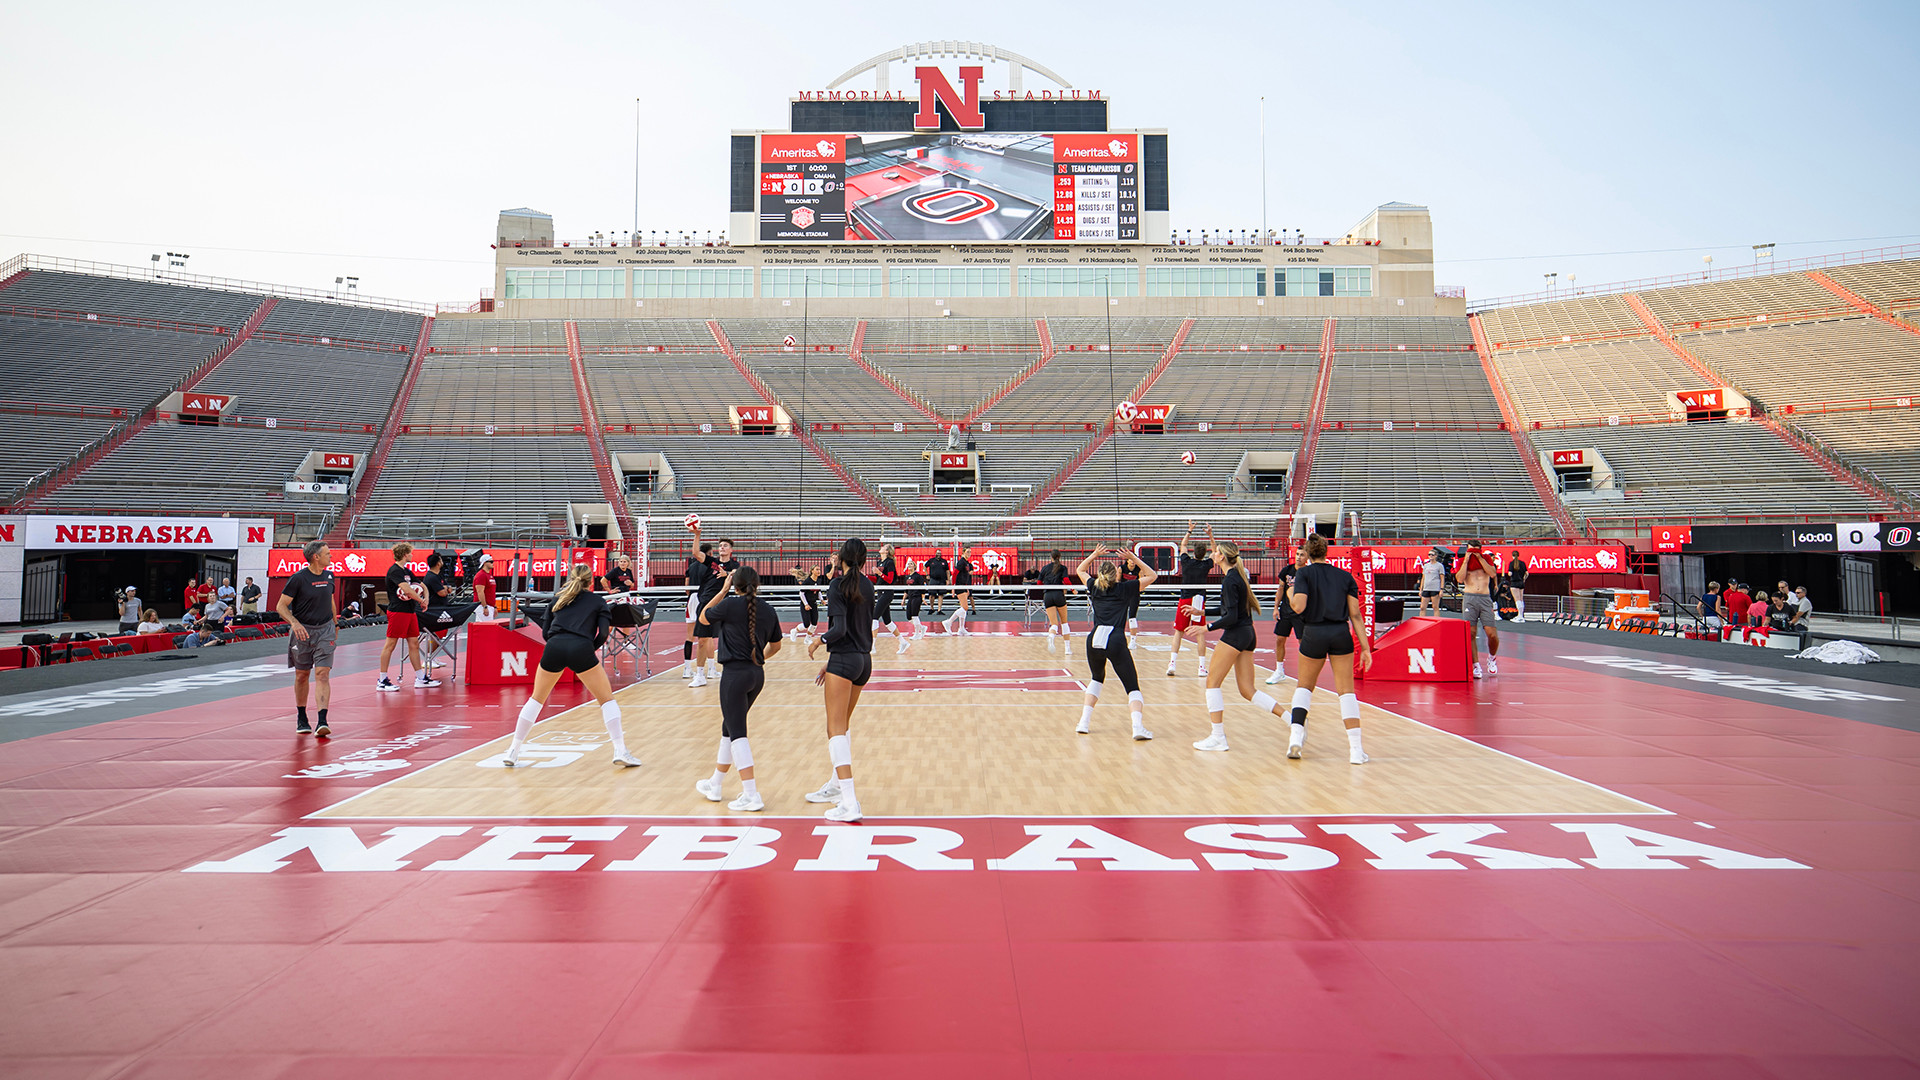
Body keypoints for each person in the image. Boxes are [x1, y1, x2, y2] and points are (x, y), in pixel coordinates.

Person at [503, 564, 640, 768]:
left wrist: (557, 642)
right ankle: (620, 750)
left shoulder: (558, 598)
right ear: (590, 581)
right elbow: (603, 633)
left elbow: (545, 631)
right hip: (581, 647)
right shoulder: (597, 601)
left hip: (554, 647)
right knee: (606, 700)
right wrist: (588, 649)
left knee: (536, 699)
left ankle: (513, 749)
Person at [695, 566, 783, 811]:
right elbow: (776, 646)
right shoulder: (768, 609)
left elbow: (703, 617)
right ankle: (716, 783)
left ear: (736, 585)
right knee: (729, 728)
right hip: (756, 675)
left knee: (738, 734)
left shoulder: (730, 604)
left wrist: (722, 590)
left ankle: (751, 794)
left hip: (734, 675)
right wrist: (758, 658)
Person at [1284, 533, 1375, 763]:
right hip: (1339, 633)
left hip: (1314, 633)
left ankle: (1295, 738)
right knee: (1346, 692)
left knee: (1304, 687)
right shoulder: (1344, 577)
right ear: (1327, 551)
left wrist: (1289, 592)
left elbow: (1298, 606)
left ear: (1308, 554)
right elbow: (1355, 614)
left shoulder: (1303, 573)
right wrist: (1365, 648)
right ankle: (1356, 750)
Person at [805, 538, 873, 823]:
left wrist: (819, 641)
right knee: (842, 727)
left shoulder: (838, 585)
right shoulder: (868, 585)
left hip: (845, 660)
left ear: (841, 559)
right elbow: (858, 628)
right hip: (863, 661)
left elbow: (840, 628)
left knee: (834, 730)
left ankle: (848, 801)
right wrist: (831, 661)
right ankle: (835, 786)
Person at [1192, 540, 1279, 753]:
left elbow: (1230, 616)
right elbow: (1229, 609)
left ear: (1222, 556)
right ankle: (1292, 718)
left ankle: (1218, 737)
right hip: (1248, 633)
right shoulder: (1236, 577)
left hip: (1236, 635)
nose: (1212, 554)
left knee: (1212, 682)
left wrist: (1206, 628)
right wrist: (1202, 612)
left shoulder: (1230, 580)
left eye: (1215, 552)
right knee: (1248, 690)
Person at [1075, 543, 1157, 740]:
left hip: (1094, 638)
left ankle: (1083, 722)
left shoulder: (1093, 586)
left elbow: (1080, 569)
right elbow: (1153, 575)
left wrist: (1095, 554)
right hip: (1115, 639)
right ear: (1116, 575)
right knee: (1132, 687)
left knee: (1096, 679)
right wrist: (1134, 557)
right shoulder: (1125, 588)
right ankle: (1137, 727)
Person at [278, 539, 340, 737]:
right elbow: (281, 606)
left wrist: (335, 623)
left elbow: (330, 600)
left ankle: (322, 720)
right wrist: (294, 623)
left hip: (325, 630)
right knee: (302, 675)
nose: (331, 556)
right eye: (328, 553)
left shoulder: (330, 576)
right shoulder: (298, 579)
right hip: (302, 631)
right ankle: (302, 717)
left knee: (322, 673)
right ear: (316, 557)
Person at [376, 542, 438, 691]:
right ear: (405, 554)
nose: (412, 555)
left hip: (409, 611)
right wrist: (421, 600)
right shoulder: (394, 571)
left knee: (414, 643)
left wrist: (426, 599)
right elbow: (406, 590)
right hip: (398, 611)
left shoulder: (406, 571)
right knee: (390, 644)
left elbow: (422, 585)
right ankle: (382, 680)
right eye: (410, 553)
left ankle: (420, 678)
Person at [1169, 524, 1212, 677]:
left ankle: (1172, 664)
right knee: (1200, 633)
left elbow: (1183, 545)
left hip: (1185, 598)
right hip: (1199, 601)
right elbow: (1215, 551)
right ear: (1205, 553)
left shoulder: (1186, 562)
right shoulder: (1206, 564)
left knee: (1178, 632)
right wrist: (1210, 534)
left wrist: (1189, 529)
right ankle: (1201, 667)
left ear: (1194, 552)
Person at [1455, 540, 1501, 678]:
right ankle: (1475, 664)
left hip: (1485, 598)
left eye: (1476, 550)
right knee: (1471, 633)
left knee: (1491, 633)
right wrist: (1466, 560)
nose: (1473, 553)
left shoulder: (1486, 559)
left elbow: (1492, 573)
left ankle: (1492, 658)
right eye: (1471, 550)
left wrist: (1480, 557)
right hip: (1470, 598)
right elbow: (1460, 579)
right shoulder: (1463, 561)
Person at [1265, 537, 1304, 686]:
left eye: (1302, 555)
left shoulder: (1308, 572)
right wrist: (1276, 607)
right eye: (1298, 554)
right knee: (1280, 639)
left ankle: (1304, 673)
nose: (1299, 557)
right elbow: (1281, 588)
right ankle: (1279, 671)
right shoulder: (1287, 570)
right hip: (1286, 611)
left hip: (1301, 613)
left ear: (1307, 557)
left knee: (1303, 642)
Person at [681, 539, 715, 678]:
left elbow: (686, 587)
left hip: (692, 599)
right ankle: (712, 669)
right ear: (710, 553)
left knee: (690, 636)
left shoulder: (691, 567)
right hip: (704, 598)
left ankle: (687, 669)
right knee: (708, 635)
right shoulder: (710, 565)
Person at [1038, 549, 1073, 651]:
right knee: (1064, 622)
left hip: (1048, 595)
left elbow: (1039, 582)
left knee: (1054, 624)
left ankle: (1052, 636)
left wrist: (1045, 586)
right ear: (1059, 557)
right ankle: (1067, 649)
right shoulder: (1062, 568)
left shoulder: (1045, 568)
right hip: (1058, 594)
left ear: (1051, 557)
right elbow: (1066, 580)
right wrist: (1073, 589)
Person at [942, 547, 974, 635]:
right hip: (959, 586)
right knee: (965, 607)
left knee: (964, 609)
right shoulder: (961, 562)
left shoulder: (967, 563)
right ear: (963, 552)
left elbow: (965, 576)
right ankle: (949, 622)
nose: (969, 553)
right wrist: (953, 587)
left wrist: (966, 587)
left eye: (970, 552)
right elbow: (955, 573)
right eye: (967, 552)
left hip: (963, 585)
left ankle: (961, 628)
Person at [900, 563, 929, 649]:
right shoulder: (907, 577)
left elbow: (922, 588)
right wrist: (903, 599)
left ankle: (917, 633)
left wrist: (923, 598)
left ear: (915, 566)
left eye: (911, 564)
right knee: (909, 617)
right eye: (908, 564)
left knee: (914, 615)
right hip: (910, 597)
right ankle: (922, 627)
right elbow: (906, 589)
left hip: (917, 597)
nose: (910, 565)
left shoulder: (918, 576)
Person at [874, 544, 899, 638]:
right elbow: (877, 580)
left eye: (884, 547)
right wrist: (866, 576)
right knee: (887, 621)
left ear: (887, 551)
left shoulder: (889, 562)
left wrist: (879, 573)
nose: (881, 547)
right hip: (880, 592)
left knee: (874, 616)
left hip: (887, 592)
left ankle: (872, 645)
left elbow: (890, 580)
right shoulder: (880, 562)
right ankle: (903, 642)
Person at [792, 564, 820, 639]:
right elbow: (801, 593)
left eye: (819, 569)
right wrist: (806, 604)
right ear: (812, 571)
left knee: (814, 624)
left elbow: (818, 591)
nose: (819, 571)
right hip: (806, 604)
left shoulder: (818, 580)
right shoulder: (807, 581)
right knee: (806, 624)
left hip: (813, 603)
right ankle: (794, 631)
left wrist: (822, 599)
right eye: (817, 569)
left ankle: (807, 638)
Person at [1418, 550, 1446, 618]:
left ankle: (1436, 620)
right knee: (1422, 607)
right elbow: (1423, 578)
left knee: (1435, 607)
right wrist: (1421, 589)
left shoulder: (1439, 566)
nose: (1430, 556)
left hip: (1435, 588)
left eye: (1432, 555)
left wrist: (1441, 589)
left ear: (1436, 556)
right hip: (1426, 587)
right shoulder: (1426, 565)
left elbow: (1442, 578)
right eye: (1429, 554)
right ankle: (1422, 620)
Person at [1506, 550, 1530, 622]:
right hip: (1521, 582)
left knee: (1517, 599)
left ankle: (1519, 615)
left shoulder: (1512, 563)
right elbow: (1527, 573)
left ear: (1512, 556)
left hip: (1514, 582)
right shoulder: (1522, 563)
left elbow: (1510, 573)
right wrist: (1524, 579)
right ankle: (1521, 615)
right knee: (1521, 599)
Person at [925, 549, 949, 615]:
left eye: (940, 553)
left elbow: (947, 571)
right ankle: (931, 608)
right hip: (933, 579)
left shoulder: (944, 561)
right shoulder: (931, 560)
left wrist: (948, 579)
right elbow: (925, 566)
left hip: (942, 580)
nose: (938, 554)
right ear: (935, 553)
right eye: (937, 553)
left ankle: (939, 609)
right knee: (931, 595)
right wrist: (927, 574)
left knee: (941, 594)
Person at [472, 555, 497, 620]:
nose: (492, 563)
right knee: (486, 627)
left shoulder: (488, 575)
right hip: (483, 606)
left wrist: (494, 607)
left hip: (488, 605)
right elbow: (480, 592)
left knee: (482, 627)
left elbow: (492, 592)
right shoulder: (481, 575)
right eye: (491, 561)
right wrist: (484, 607)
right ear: (485, 563)